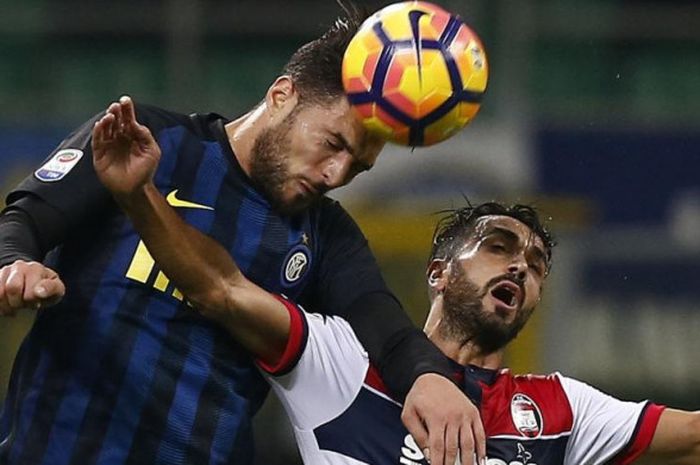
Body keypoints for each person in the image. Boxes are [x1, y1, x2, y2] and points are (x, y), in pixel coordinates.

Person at [0, 5, 486, 465]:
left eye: (357, 167)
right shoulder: (146, 140)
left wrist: (428, 377)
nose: (335, 175)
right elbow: (25, 221)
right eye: (332, 144)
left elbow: (388, 331)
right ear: (281, 95)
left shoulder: (327, 236)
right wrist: (13, 266)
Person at [91, 109, 700, 464]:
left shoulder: (562, 410)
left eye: (537, 264)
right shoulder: (341, 360)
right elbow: (220, 288)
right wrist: (135, 196)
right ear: (438, 273)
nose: (520, 266)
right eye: (499, 246)